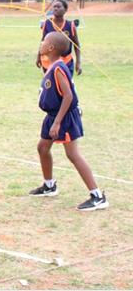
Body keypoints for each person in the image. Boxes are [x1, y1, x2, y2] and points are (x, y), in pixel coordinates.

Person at [29, 32, 107, 211]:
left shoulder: (58, 68)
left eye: (44, 41)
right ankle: (49, 185)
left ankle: (98, 196)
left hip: (63, 116)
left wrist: (57, 122)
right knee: (42, 147)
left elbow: (68, 96)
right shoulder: (52, 64)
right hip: (52, 115)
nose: (41, 43)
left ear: (51, 48)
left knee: (73, 154)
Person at [37, 0, 81, 77]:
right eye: (54, 7)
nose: (56, 8)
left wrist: (78, 62)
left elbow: (76, 45)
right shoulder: (47, 23)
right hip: (49, 62)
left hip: (66, 62)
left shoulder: (70, 25)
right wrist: (38, 57)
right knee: (52, 87)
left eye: (58, 7)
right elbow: (42, 41)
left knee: (65, 85)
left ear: (65, 10)